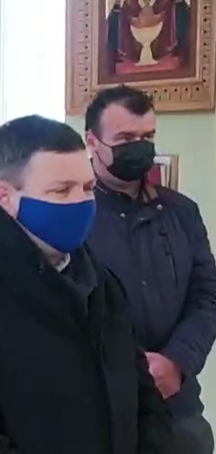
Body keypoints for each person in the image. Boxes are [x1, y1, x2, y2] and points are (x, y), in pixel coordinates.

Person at [0, 115, 172, 454]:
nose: (81, 202)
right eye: (61, 190)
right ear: (5, 197)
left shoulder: (101, 281)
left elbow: (144, 399)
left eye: (88, 188)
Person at [85, 85, 216, 454]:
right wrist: (128, 368)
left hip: (177, 404)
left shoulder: (181, 212)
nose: (139, 147)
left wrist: (177, 361)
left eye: (147, 137)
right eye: (125, 139)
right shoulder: (73, 214)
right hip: (100, 406)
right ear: (92, 142)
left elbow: (206, 295)